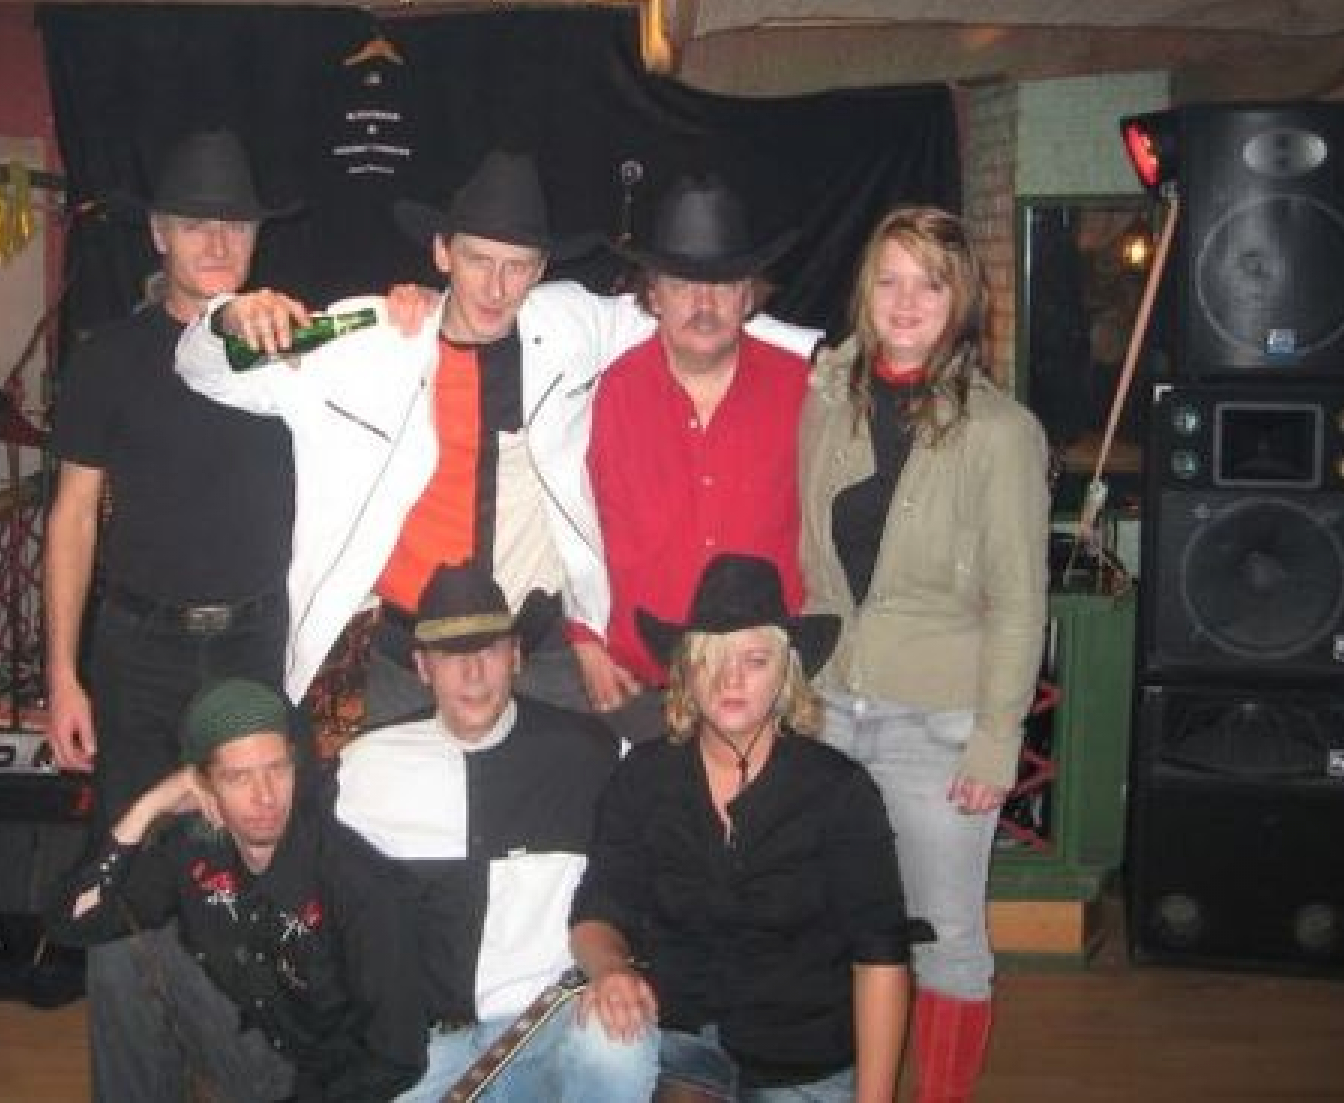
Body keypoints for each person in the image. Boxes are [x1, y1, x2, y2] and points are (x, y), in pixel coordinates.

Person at [175, 148, 817, 727]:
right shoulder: (367, 340)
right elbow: (203, 373)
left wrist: (830, 358)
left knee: (560, 810)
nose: (495, 287)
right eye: (478, 260)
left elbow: (697, 317)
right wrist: (227, 318)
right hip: (408, 653)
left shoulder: (568, 327)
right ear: (441, 253)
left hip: (535, 650)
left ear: (540, 271)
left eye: (516, 267)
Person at [797, 207, 1050, 1103]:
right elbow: (812, 565)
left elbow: (1020, 603)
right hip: (828, 709)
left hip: (939, 726)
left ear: (961, 299)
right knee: (829, 924)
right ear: (865, 290)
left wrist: (996, 742)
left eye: (929, 284)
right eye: (890, 280)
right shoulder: (826, 402)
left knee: (945, 938)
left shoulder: (1002, 432)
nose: (906, 302)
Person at [569, 552, 912, 1103]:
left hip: (802, 1059)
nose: (731, 679)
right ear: (687, 672)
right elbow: (597, 910)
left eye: (754, 660)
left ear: (786, 673)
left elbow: (880, 958)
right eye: (712, 659)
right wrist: (610, 969)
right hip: (680, 1046)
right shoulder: (644, 778)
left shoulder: (839, 791)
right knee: (599, 1044)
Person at [45, 128, 297, 831]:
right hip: (139, 644)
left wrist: (408, 303)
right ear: (159, 234)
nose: (217, 243)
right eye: (195, 225)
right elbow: (72, 516)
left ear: (256, 238)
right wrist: (61, 675)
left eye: (235, 225)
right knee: (135, 836)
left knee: (254, 839)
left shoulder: (294, 351)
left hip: (256, 639)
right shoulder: (108, 359)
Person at [333, 561, 659, 1102]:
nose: (473, 673)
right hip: (427, 1046)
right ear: (422, 667)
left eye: (488, 650)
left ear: (517, 656)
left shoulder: (590, 753)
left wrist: (614, 968)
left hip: (554, 1022)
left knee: (616, 1043)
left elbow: (652, 853)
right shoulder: (366, 767)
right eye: (451, 656)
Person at [45, 678, 428, 1102]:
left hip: (326, 1081)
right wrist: (148, 807)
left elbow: (396, 1058)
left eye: (276, 770)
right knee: (117, 949)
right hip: (250, 1049)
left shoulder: (355, 880)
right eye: (238, 777)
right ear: (205, 786)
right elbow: (72, 924)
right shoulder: (194, 851)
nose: (265, 797)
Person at [587, 174, 820, 739]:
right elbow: (568, 520)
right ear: (653, 295)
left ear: (747, 297)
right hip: (643, 691)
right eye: (684, 284)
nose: (704, 303)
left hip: (769, 693)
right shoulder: (606, 394)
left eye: (723, 284)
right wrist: (582, 638)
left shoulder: (806, 392)